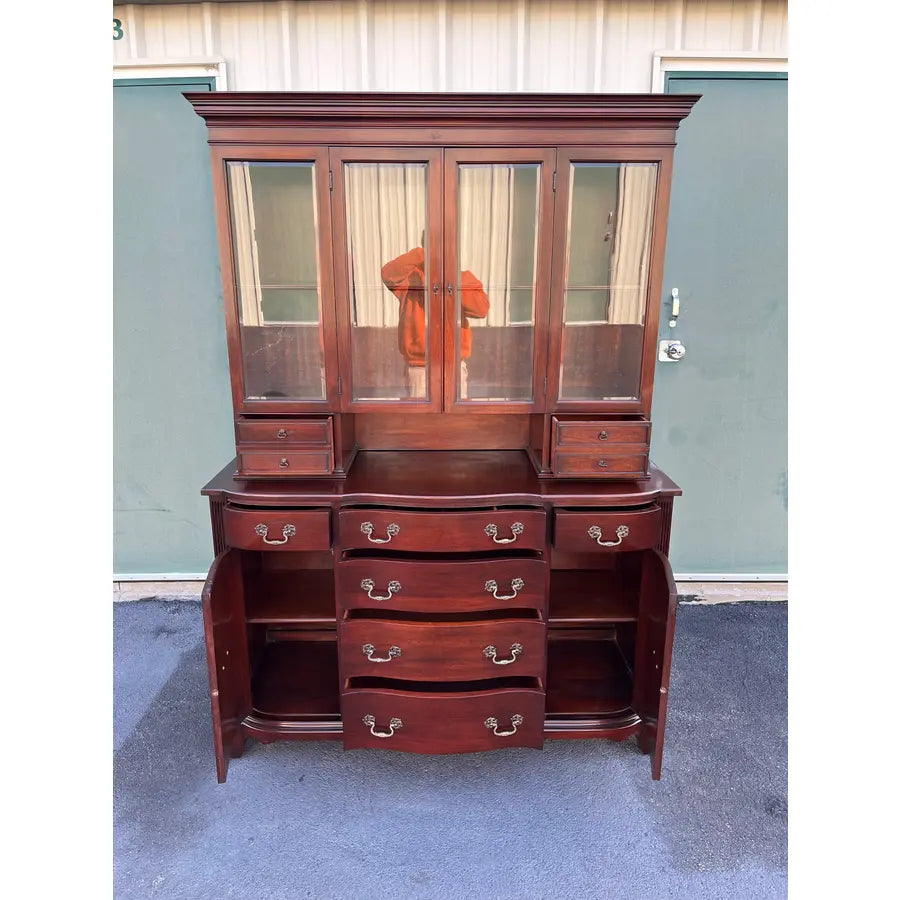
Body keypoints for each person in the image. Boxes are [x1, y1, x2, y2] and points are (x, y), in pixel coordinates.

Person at [381, 236, 489, 399]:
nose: (441, 252)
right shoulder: (410, 279)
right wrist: (423, 255)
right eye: (435, 246)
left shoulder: (462, 278)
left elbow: (481, 309)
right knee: (420, 423)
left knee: (456, 422)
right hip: (419, 369)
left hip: (453, 367)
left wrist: (451, 279)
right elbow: (388, 273)